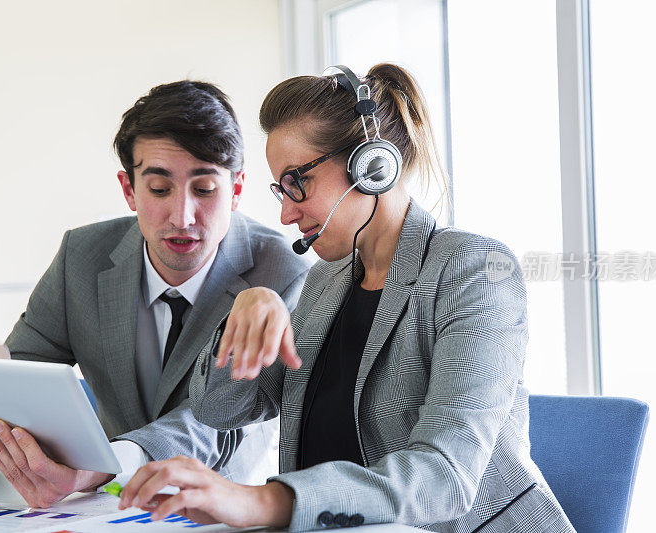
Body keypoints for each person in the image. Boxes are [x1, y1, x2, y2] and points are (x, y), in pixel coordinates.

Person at [117, 64, 575, 532]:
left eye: (299, 181)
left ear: (372, 166)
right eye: (281, 188)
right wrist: (245, 310)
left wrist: (263, 502)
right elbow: (222, 410)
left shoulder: (475, 270)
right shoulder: (324, 281)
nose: (286, 212)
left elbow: (445, 478)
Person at [0, 80, 312, 508]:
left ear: (237, 190)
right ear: (129, 189)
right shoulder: (80, 258)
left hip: (216, 510)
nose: (182, 216)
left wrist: (103, 466)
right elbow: (22, 392)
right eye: (158, 189)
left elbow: (221, 424)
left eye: (205, 189)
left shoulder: (284, 276)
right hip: (98, 508)